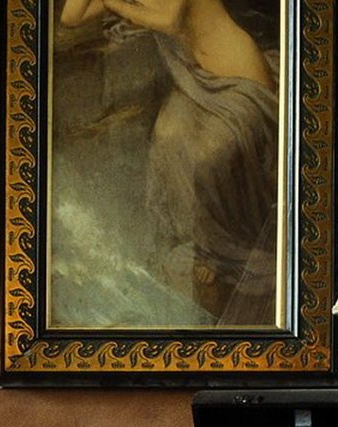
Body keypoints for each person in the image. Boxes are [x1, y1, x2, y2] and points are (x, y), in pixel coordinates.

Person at [60, 0, 279, 324]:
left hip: (237, 72)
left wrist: (114, 3)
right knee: (167, 139)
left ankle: (224, 252)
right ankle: (201, 243)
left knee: (209, 158)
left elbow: (169, 20)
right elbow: (71, 16)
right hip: (195, 78)